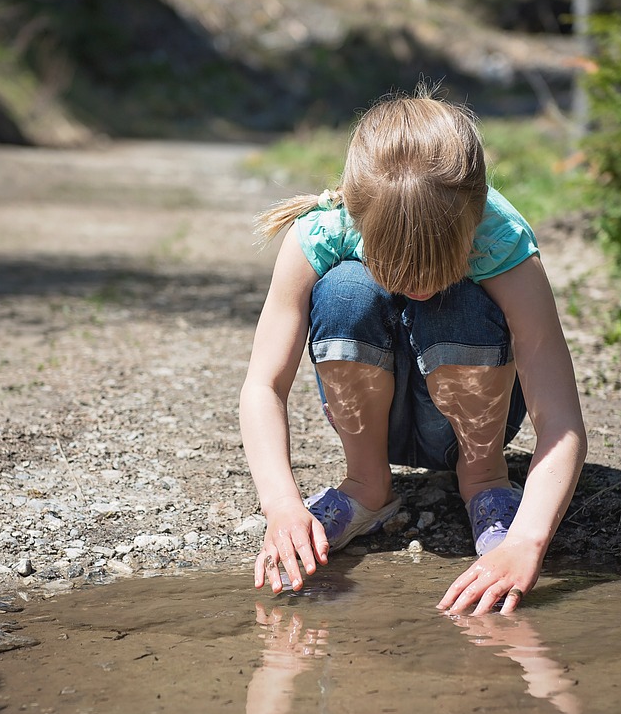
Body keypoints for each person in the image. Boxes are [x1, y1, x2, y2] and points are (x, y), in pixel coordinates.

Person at [239, 89, 586, 616]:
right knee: (348, 291)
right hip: (378, 420)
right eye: (398, 272)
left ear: (472, 223)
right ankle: (367, 484)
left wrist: (528, 541)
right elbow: (263, 385)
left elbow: (560, 419)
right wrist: (283, 505)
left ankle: (485, 482)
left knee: (461, 302)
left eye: (436, 269)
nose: (418, 288)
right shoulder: (324, 232)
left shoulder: (502, 242)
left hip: (472, 427)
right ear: (357, 219)